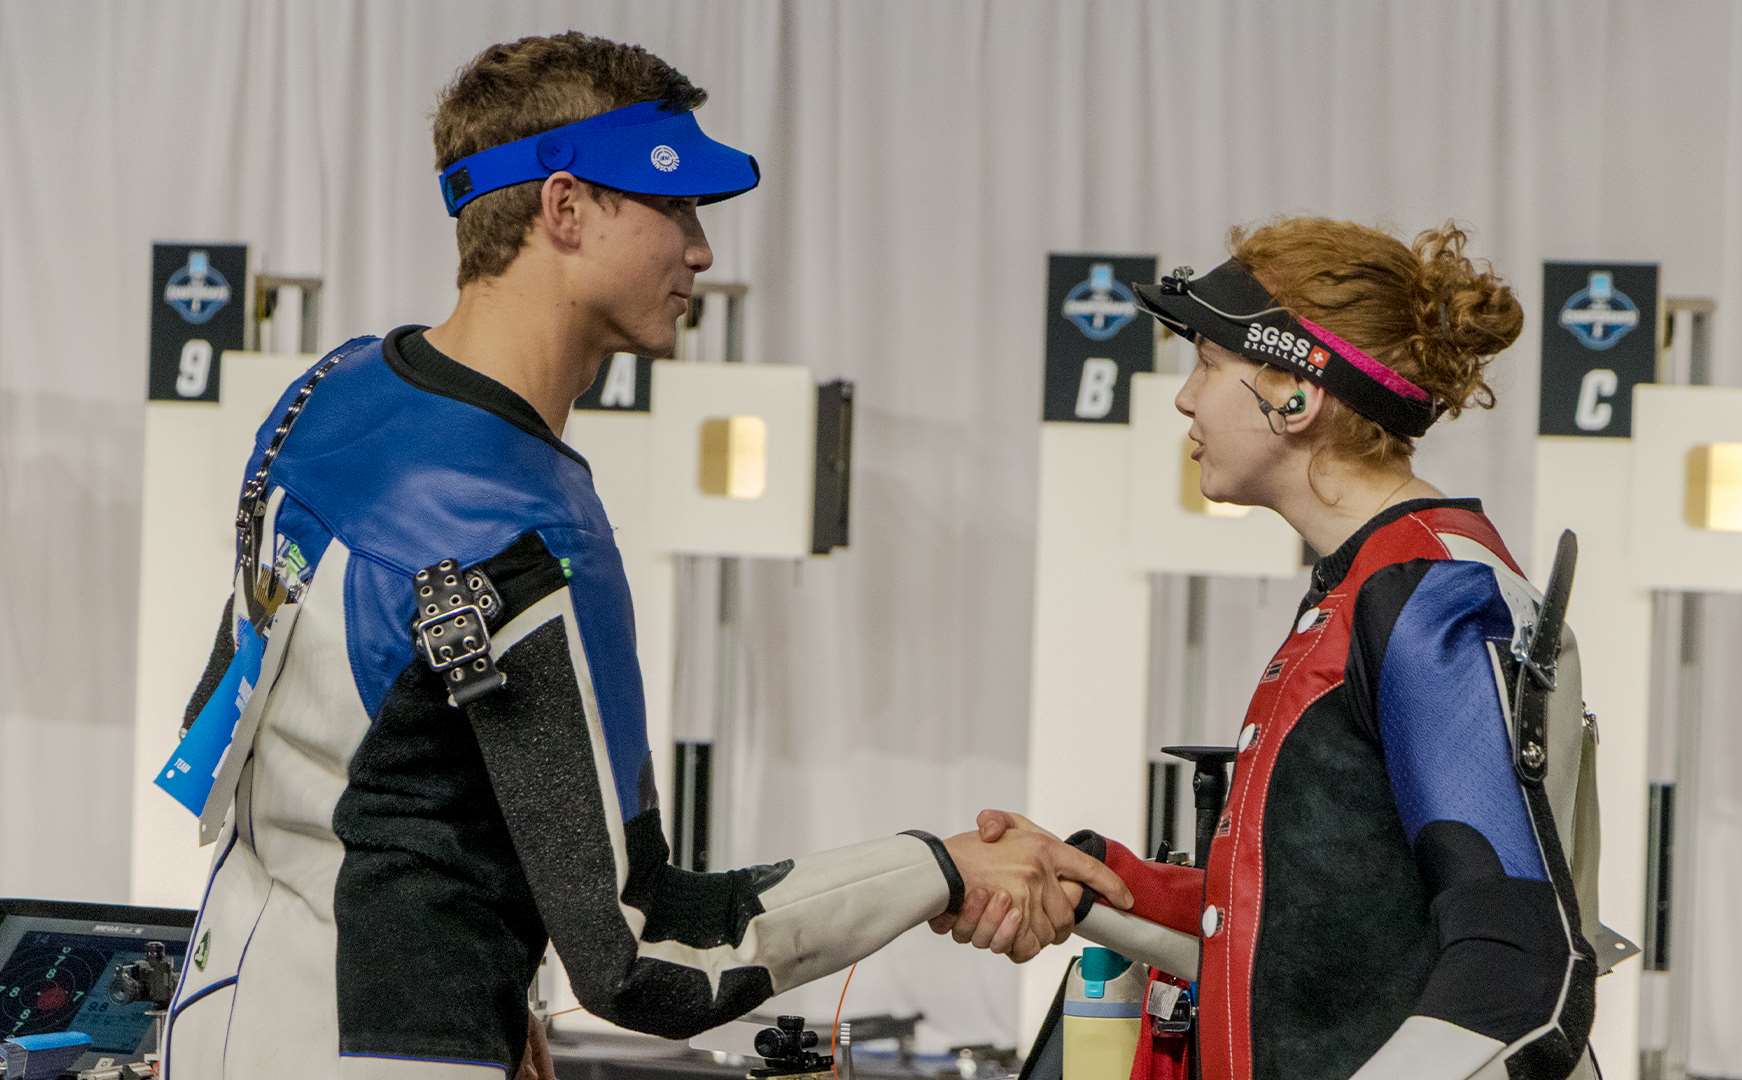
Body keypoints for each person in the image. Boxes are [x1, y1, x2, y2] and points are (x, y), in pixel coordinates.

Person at [159, 32, 1129, 1080]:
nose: (701, 251)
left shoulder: (334, 388)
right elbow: (647, 956)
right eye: (674, 207)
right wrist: (938, 867)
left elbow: (264, 743)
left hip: (223, 1012)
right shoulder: (527, 520)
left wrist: (485, 983)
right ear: (564, 209)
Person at [939, 218, 1611, 1080]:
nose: (1185, 399)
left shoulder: (1429, 591)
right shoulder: (1376, 580)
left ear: (1295, 394)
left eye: (1209, 363)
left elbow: (1519, 969)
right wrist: (1087, 878)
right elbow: (1315, 928)